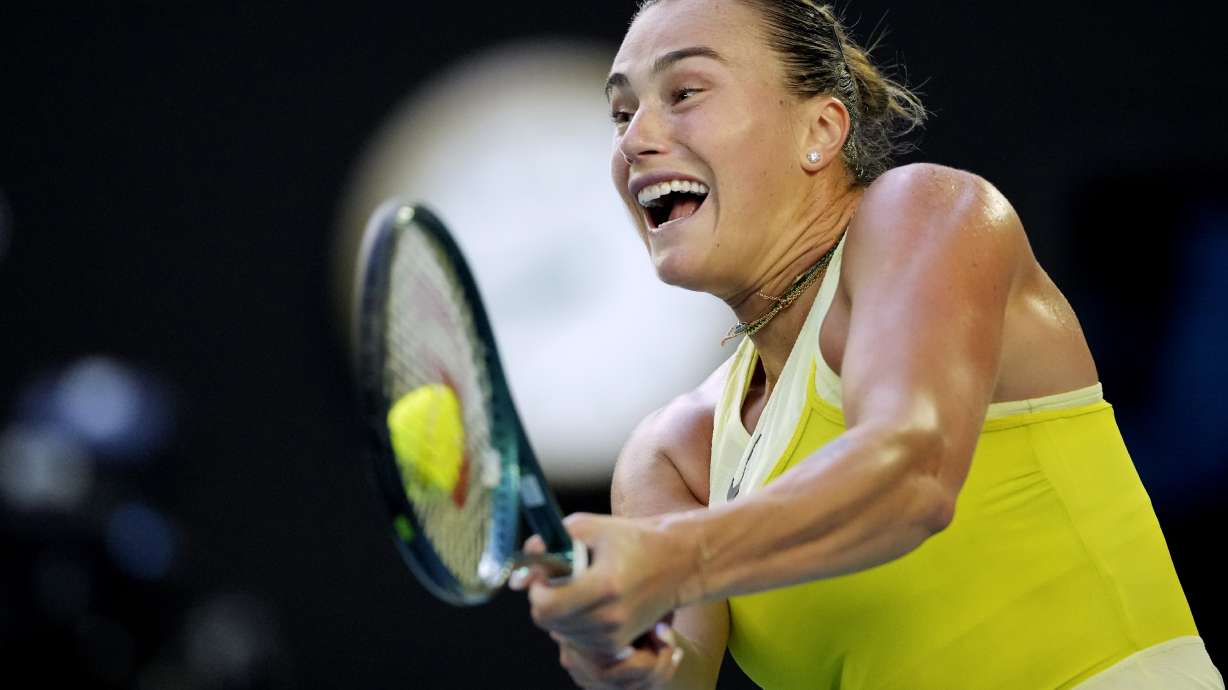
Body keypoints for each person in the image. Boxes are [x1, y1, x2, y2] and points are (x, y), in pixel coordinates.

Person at [510, 0, 1224, 687]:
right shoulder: (672, 452)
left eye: (686, 91)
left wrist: (668, 557)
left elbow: (910, 474)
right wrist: (612, 650)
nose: (635, 140)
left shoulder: (931, 209)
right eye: (621, 113)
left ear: (820, 129)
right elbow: (673, 673)